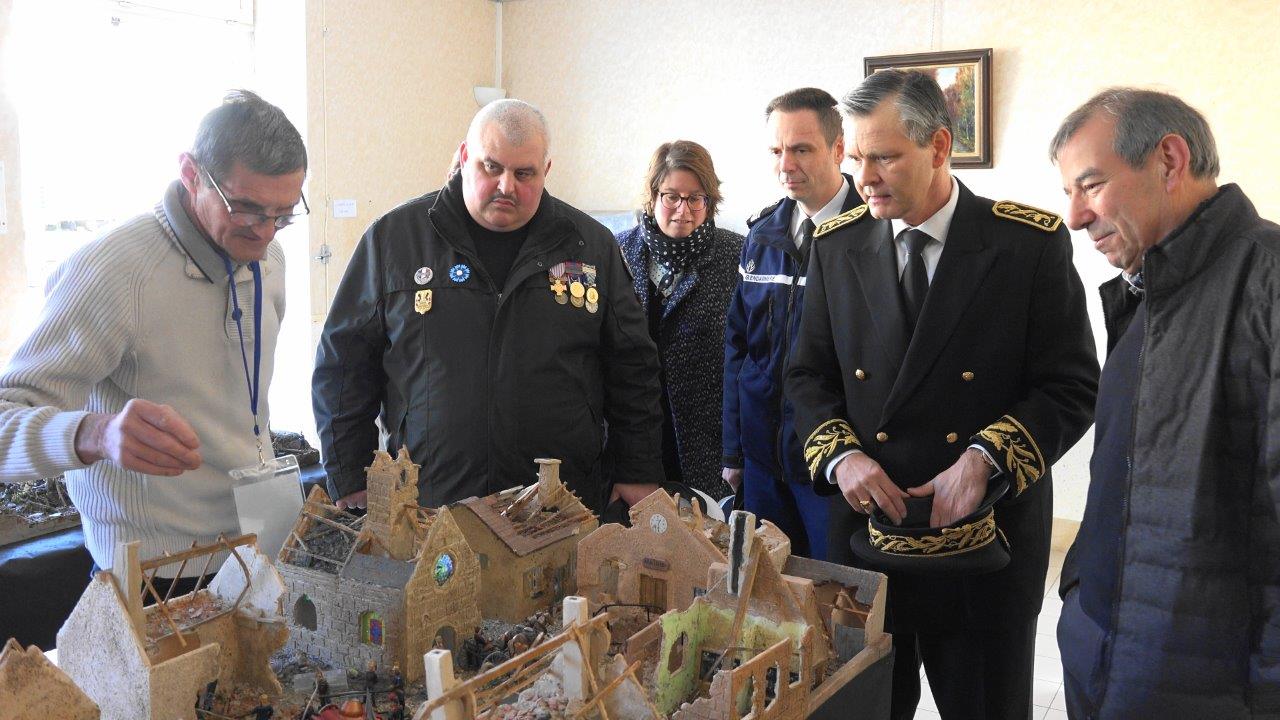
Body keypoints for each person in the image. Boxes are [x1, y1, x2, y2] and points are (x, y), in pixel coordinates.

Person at [785, 69, 1098, 719]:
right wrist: (844, 457)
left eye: (885, 157)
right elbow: (808, 375)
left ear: (939, 147)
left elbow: (1069, 385)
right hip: (868, 538)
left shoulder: (1025, 245)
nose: (863, 177)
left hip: (985, 541)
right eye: (856, 156)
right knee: (867, 707)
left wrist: (986, 459)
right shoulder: (837, 245)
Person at [0, 91, 307, 596]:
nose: (267, 232)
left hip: (257, 547)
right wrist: (94, 433)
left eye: (285, 214)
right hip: (160, 572)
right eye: (248, 209)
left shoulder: (272, 257)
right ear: (190, 173)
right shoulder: (111, 272)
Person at [312, 99, 663, 512]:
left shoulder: (591, 245)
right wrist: (350, 475)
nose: (506, 186)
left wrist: (637, 470)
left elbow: (633, 366)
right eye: (491, 167)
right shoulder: (395, 241)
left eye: (524, 173)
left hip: (560, 504)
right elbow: (344, 364)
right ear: (464, 157)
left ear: (546, 171)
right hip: (430, 499)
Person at [1051, 88, 1280, 719]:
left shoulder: (1266, 284)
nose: (1073, 217)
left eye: (1090, 185)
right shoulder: (1151, 286)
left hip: (1203, 688)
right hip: (1108, 650)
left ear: (1169, 161)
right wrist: (1080, 596)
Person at [722, 87, 855, 560]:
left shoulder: (874, 233)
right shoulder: (762, 236)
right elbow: (739, 349)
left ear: (838, 149)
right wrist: (733, 454)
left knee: (834, 608)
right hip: (762, 467)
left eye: (801, 149)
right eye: (777, 150)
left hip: (833, 471)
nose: (785, 164)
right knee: (764, 603)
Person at [614, 141, 743, 496]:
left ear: (709, 201)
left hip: (709, 440)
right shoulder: (618, 251)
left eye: (695, 198)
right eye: (671, 196)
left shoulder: (737, 254)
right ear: (653, 196)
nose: (682, 210)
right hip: (634, 437)